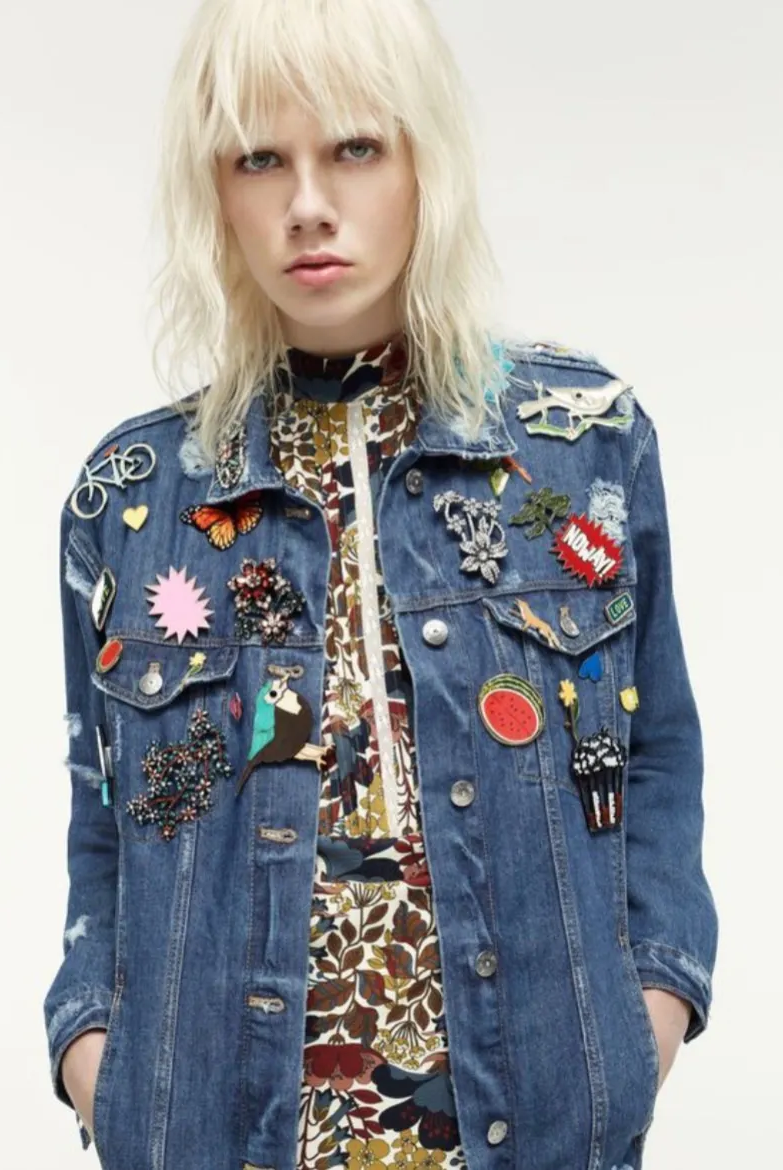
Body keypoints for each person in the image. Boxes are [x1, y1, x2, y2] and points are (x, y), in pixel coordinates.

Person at [42, 1, 718, 1167]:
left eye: (354, 148)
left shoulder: (583, 445)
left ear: (424, 162)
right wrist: (93, 1058)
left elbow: (655, 757)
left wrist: (644, 1020)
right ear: (215, 192)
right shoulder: (131, 497)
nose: (309, 203)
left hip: (534, 1135)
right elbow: (104, 820)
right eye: (261, 159)